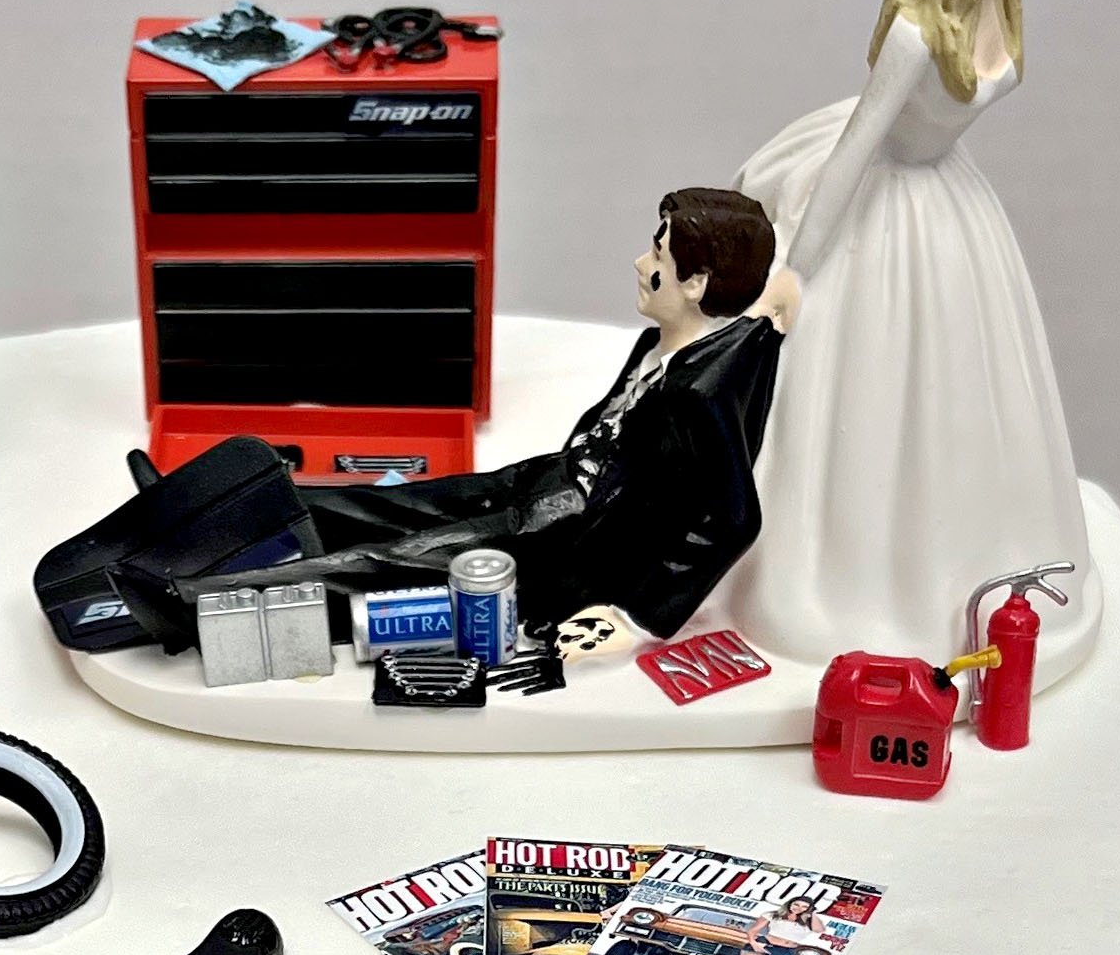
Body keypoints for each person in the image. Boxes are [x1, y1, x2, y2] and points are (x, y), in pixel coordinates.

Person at [719, 0, 1097, 669]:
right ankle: (849, 576)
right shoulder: (916, 38)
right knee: (860, 395)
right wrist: (795, 274)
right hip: (876, 206)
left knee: (963, 395)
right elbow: (855, 153)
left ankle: (953, 574)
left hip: (949, 203)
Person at [291, 186, 789, 639]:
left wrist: (635, 618)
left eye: (658, 254)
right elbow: (774, 303)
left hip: (560, 533)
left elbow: (734, 520)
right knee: (395, 504)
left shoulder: (696, 396)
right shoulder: (659, 345)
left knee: (386, 563)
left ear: (697, 281)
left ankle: (250, 593)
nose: (641, 264)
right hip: (545, 477)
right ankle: (277, 505)